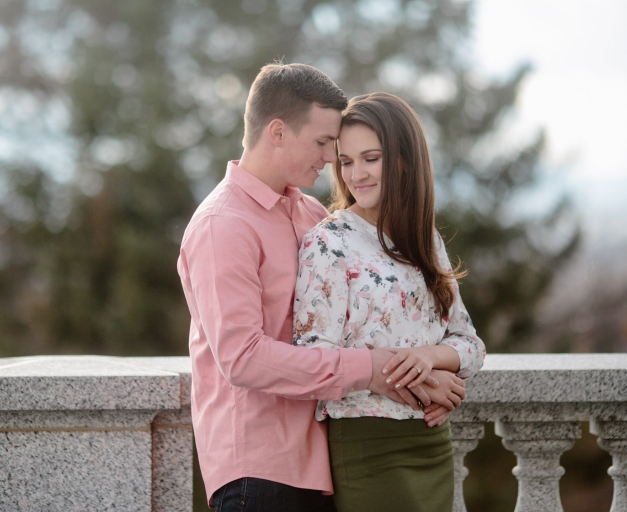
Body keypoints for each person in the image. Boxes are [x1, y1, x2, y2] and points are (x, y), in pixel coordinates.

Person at [178, 64, 463, 511]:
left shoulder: (311, 216)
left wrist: (427, 378)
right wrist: (371, 370)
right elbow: (243, 358)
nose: (332, 159)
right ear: (276, 132)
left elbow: (368, 327)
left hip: (326, 462)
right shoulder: (222, 226)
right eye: (323, 143)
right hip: (260, 471)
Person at [293, 91, 486, 512]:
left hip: (432, 443)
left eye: (371, 158)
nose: (356, 174)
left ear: (403, 159)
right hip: (367, 446)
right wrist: (422, 380)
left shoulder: (425, 241)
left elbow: (471, 346)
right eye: (346, 162)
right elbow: (315, 359)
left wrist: (429, 356)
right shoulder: (328, 243)